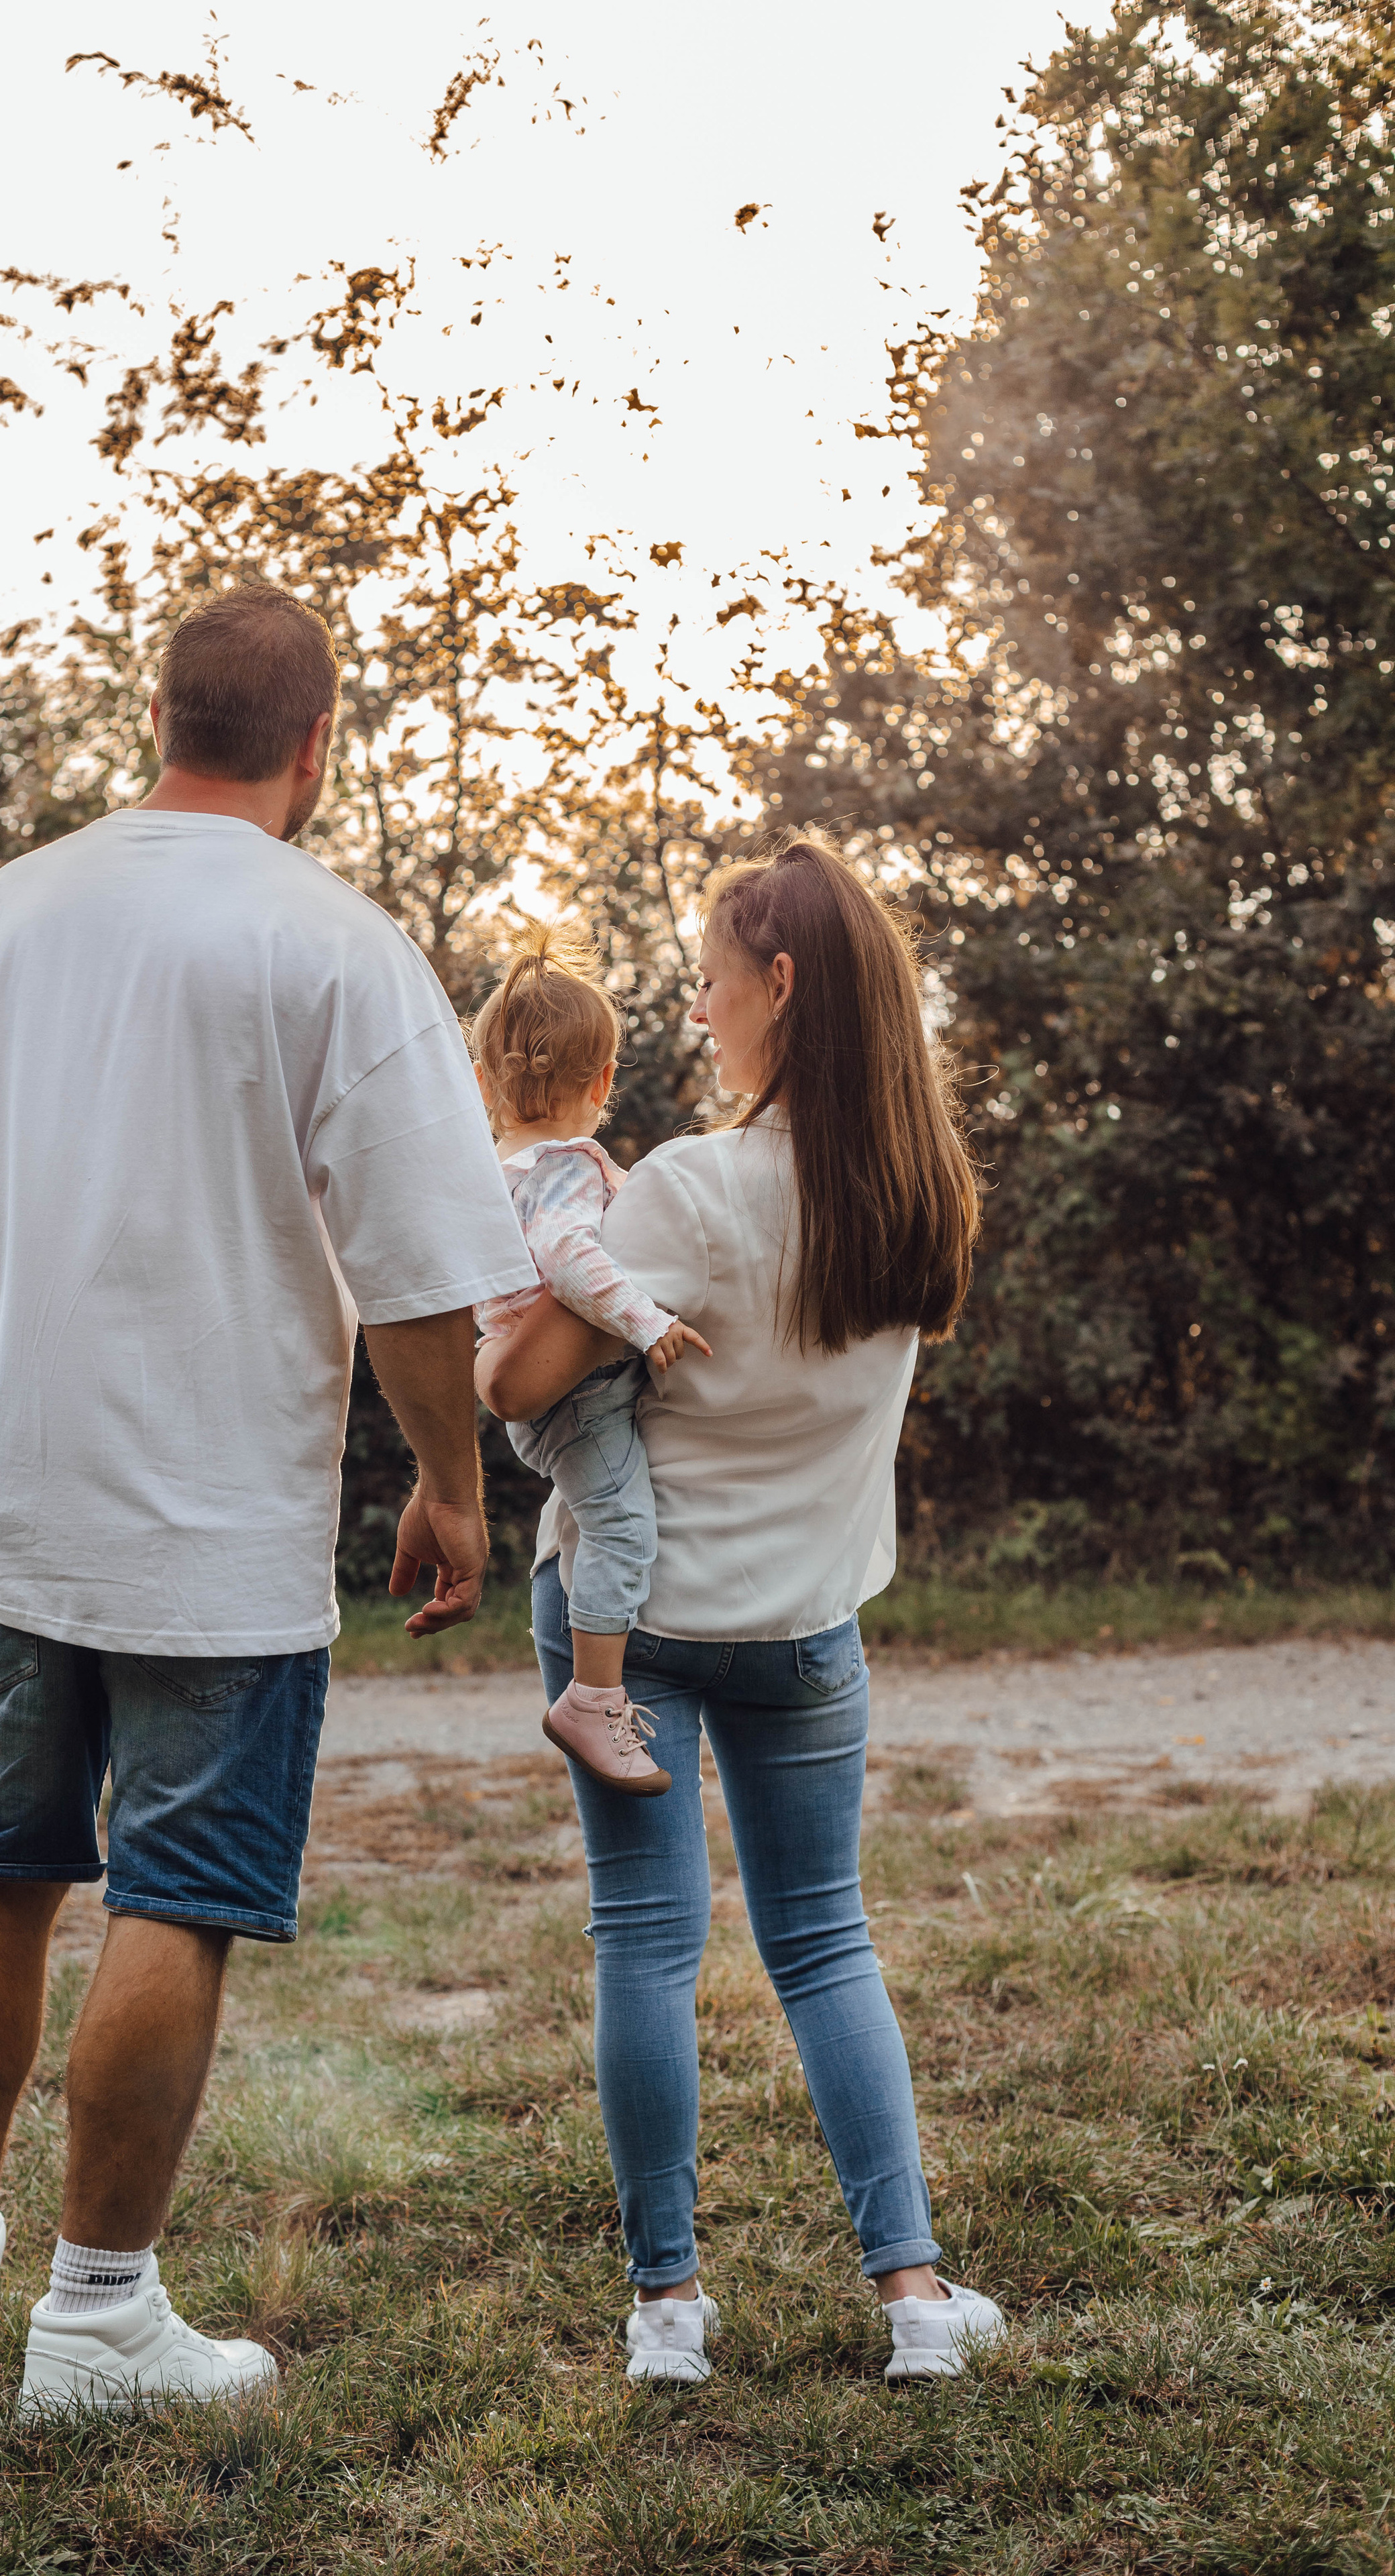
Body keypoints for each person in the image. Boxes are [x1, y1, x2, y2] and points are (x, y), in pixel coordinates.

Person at [0, 583, 535, 2418]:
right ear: (317, 745)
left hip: (17, 1503)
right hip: (214, 1530)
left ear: (160, 711)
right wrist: (453, 1484)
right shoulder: (333, 947)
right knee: (175, 1893)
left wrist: (4, 1406)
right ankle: (98, 2324)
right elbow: (418, 1280)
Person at [477, 832, 1007, 2388]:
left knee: (643, 1946)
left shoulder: (696, 1190)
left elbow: (515, 1382)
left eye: (710, 987)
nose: (696, 1014)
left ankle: (666, 2314)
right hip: (801, 1625)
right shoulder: (918, 1193)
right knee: (826, 1944)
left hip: (624, 1619)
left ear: (778, 986)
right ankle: (912, 2303)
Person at [470, 927, 710, 1795]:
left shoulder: (495, 1170)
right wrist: (647, 1322)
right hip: (584, 1393)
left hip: (544, 1397)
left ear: (484, 1083)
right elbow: (574, 1264)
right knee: (622, 1527)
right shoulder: (565, 1169)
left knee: (611, 1517)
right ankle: (595, 1697)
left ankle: (596, 1688)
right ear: (605, 1083)